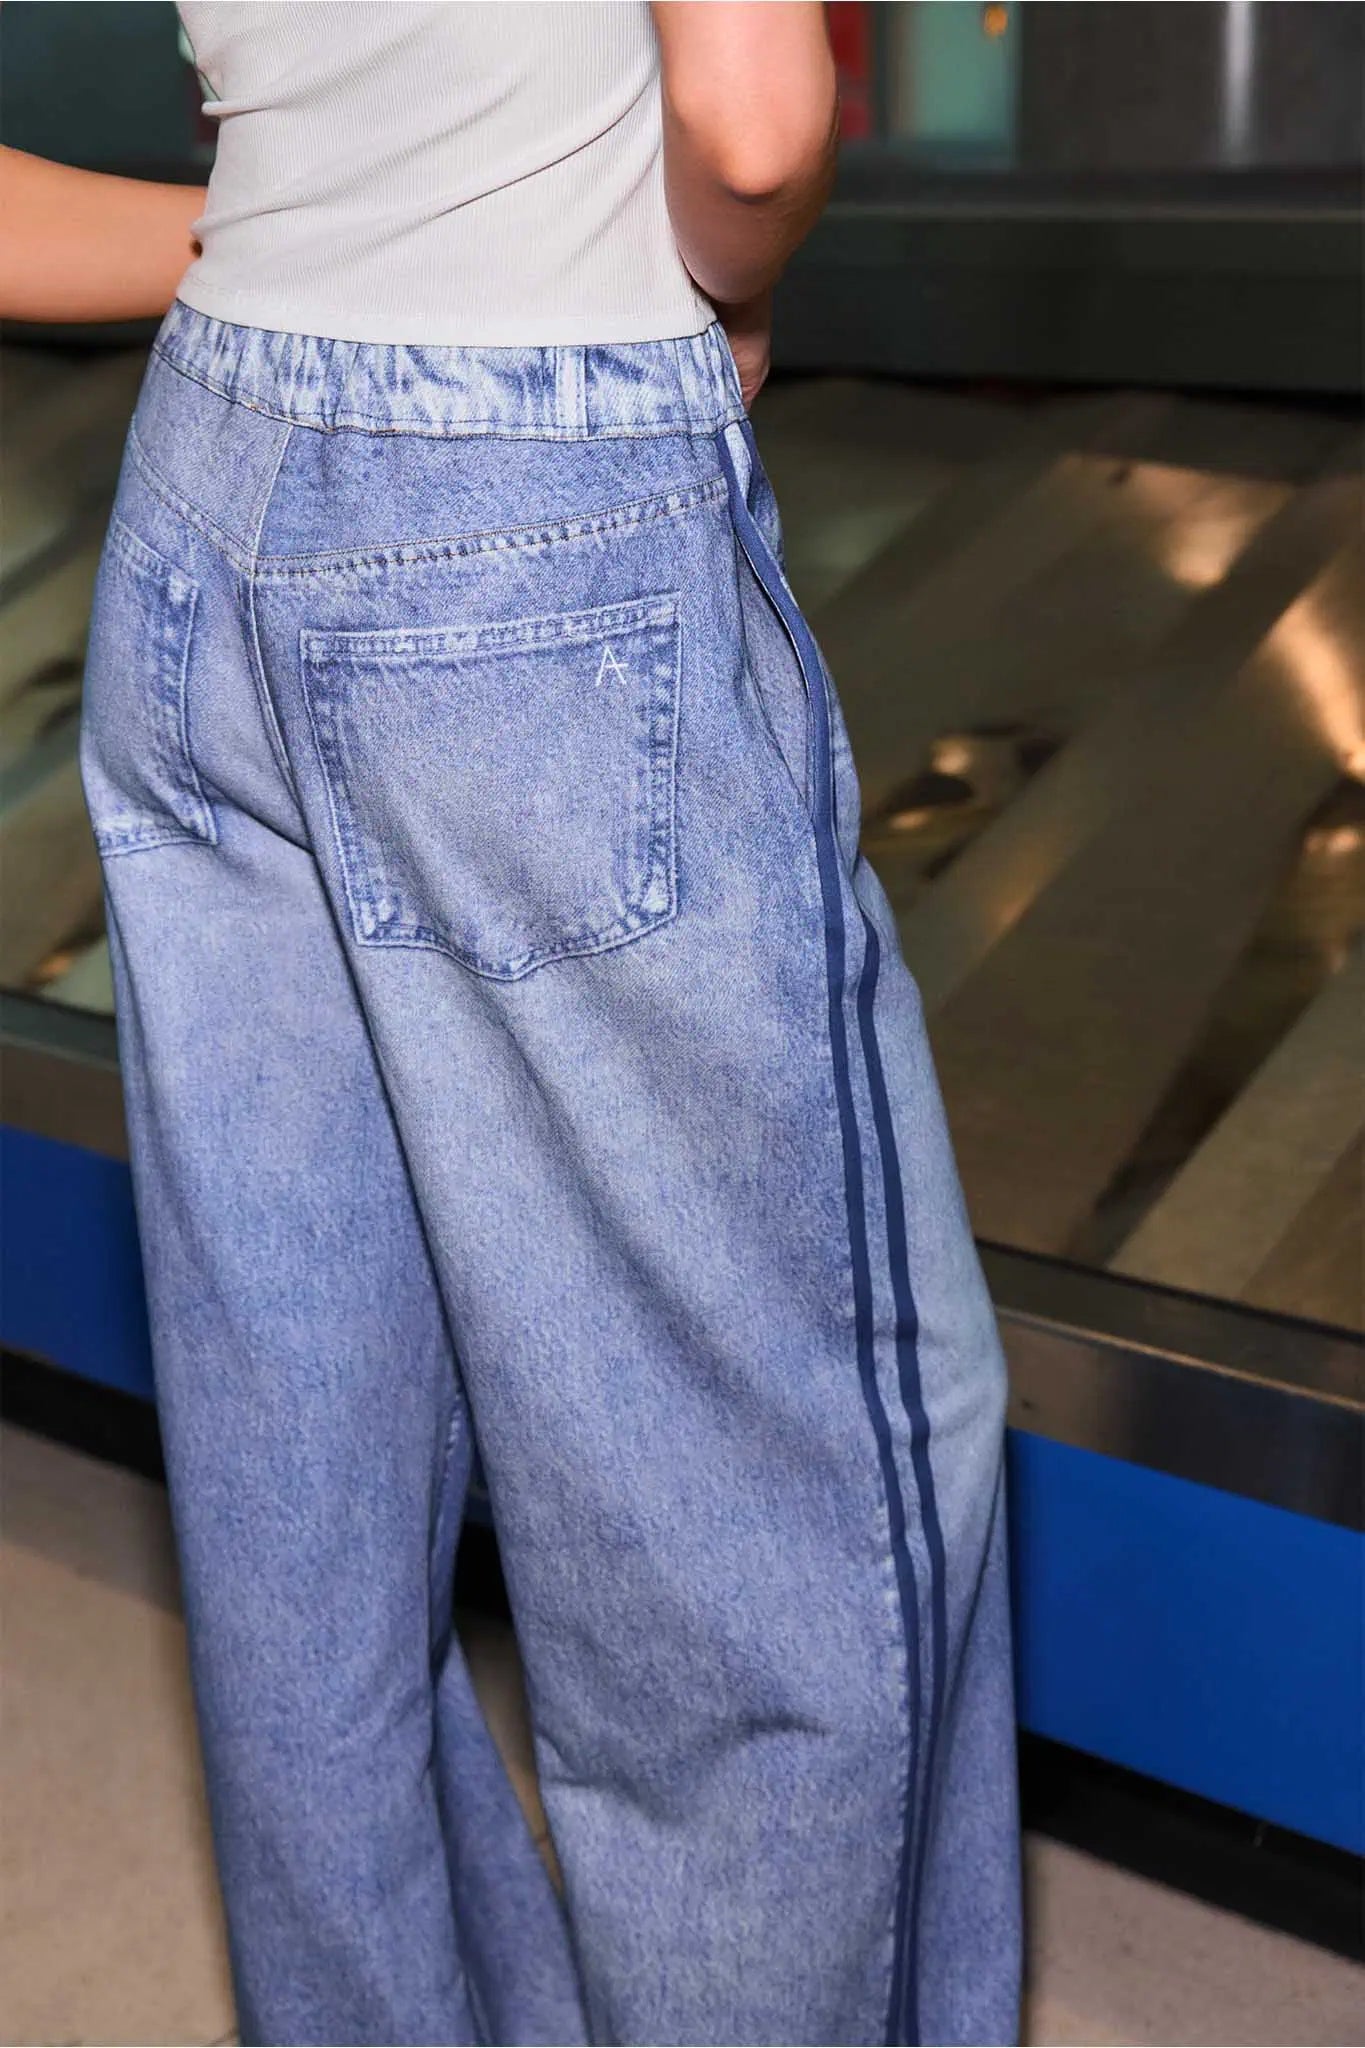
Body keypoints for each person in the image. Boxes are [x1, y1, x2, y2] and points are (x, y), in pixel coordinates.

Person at [2, 6, 1020, 2042]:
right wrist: (715, 282)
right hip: (532, 519)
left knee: (311, 1480)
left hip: (212, 503)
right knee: (784, 1484)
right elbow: (743, 133)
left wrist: (325, 219)